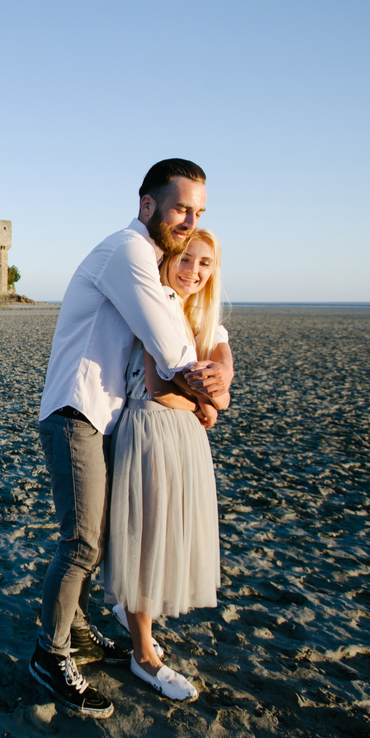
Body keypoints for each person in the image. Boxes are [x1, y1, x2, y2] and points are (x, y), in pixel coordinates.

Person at [29, 160, 233, 719]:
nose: (190, 220)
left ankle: (81, 631)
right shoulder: (130, 253)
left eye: (199, 213)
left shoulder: (150, 259)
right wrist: (208, 392)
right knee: (82, 543)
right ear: (148, 206)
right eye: (181, 208)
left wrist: (219, 379)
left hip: (102, 415)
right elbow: (170, 349)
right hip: (76, 410)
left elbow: (188, 336)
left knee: (97, 537)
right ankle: (50, 655)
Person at [103, 229, 230, 703]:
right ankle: (142, 655)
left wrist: (220, 389)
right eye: (186, 259)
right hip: (153, 429)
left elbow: (221, 366)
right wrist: (207, 403)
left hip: (182, 436)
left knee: (164, 534)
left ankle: (134, 618)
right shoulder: (156, 303)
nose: (194, 271)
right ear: (168, 258)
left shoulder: (196, 312)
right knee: (146, 539)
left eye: (205, 264)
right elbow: (158, 386)